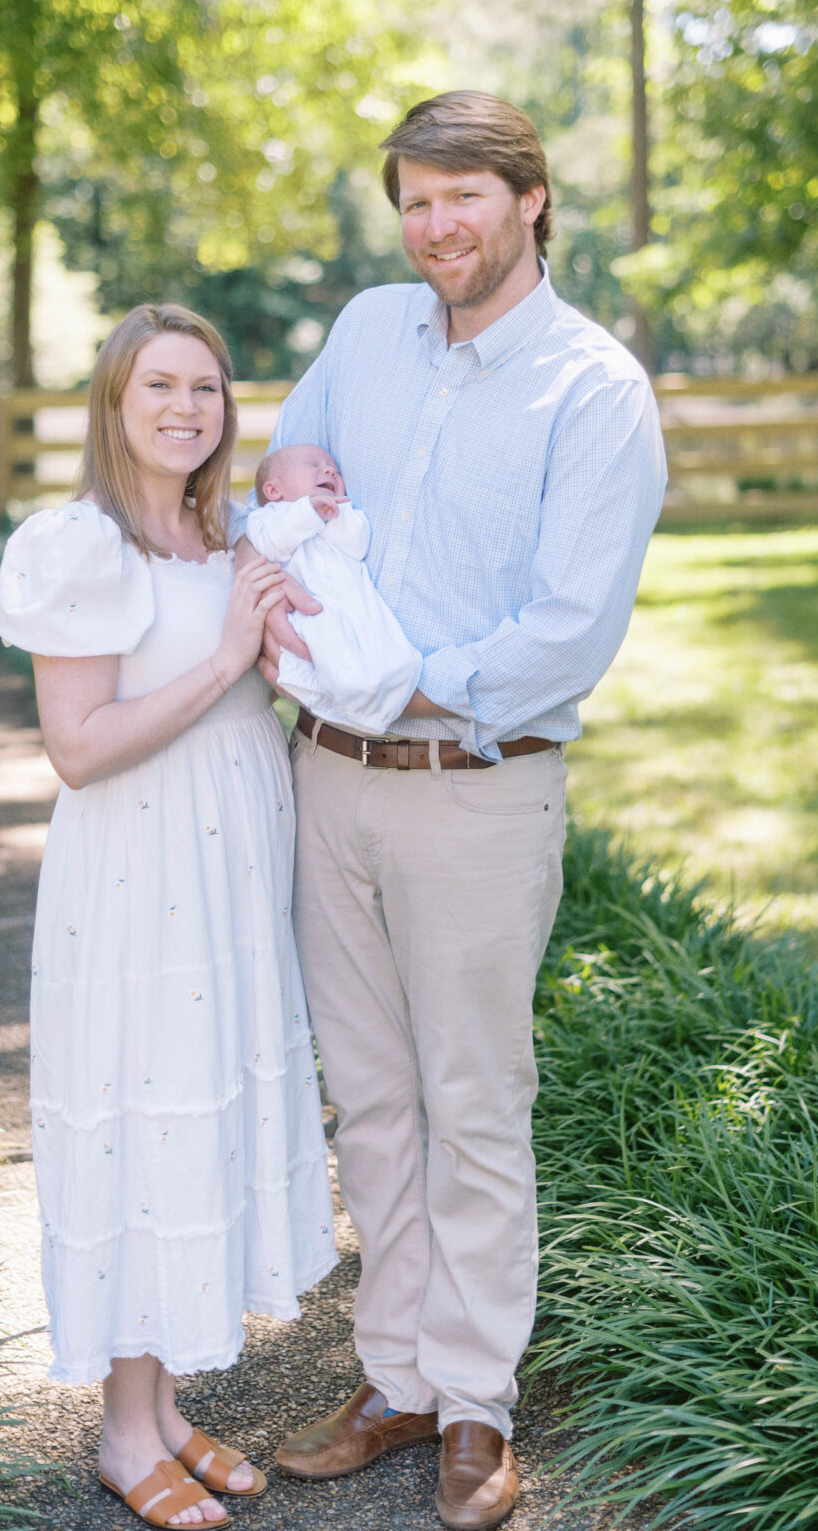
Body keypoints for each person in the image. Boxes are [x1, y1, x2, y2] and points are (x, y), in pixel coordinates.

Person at [255, 92, 668, 1531]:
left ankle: (478, 1402)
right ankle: (397, 1376)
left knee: (473, 1101)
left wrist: (381, 681)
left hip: (477, 792)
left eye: (463, 199)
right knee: (368, 1094)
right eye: (415, 201)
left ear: (531, 198)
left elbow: (564, 633)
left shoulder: (591, 385)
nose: (436, 226)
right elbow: (286, 470)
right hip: (327, 781)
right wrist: (281, 476)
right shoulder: (369, 326)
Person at [0, 303, 337, 1530]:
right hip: (141, 871)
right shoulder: (79, 545)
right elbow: (77, 751)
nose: (187, 408)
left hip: (236, 861)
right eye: (160, 388)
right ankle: (122, 1433)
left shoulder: (225, 532)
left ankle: (166, 1408)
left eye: (207, 388)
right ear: (113, 403)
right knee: (144, 1117)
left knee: (202, 1117)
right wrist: (225, 655)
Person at [246, 443, 422, 734]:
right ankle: (350, 700)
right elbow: (271, 542)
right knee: (331, 656)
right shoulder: (267, 519)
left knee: (392, 654)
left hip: (353, 602)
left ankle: (386, 692)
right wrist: (309, 511)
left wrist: (334, 513)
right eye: (312, 465)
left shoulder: (344, 513)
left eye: (333, 469)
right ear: (274, 491)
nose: (328, 470)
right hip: (310, 610)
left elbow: (358, 542)